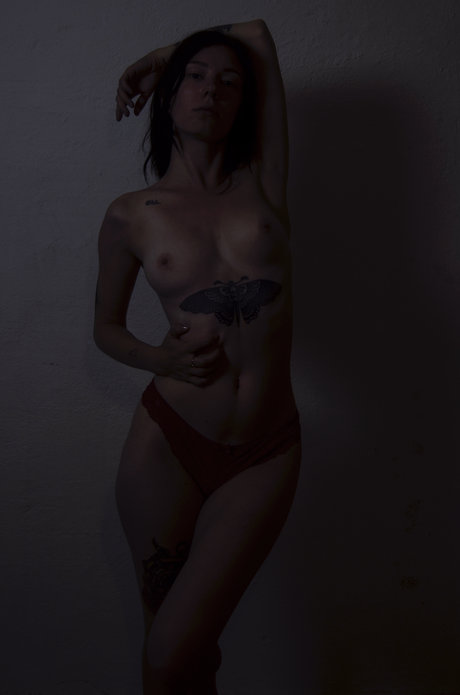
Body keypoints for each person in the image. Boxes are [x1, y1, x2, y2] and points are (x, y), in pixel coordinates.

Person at [94, 19, 301, 695]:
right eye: (194, 77)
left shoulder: (264, 182)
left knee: (172, 650)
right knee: (176, 651)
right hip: (167, 445)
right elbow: (105, 329)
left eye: (229, 82)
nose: (211, 90)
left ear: (244, 103)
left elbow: (256, 32)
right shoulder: (132, 213)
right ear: (169, 99)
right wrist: (158, 359)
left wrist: (164, 54)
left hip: (265, 449)